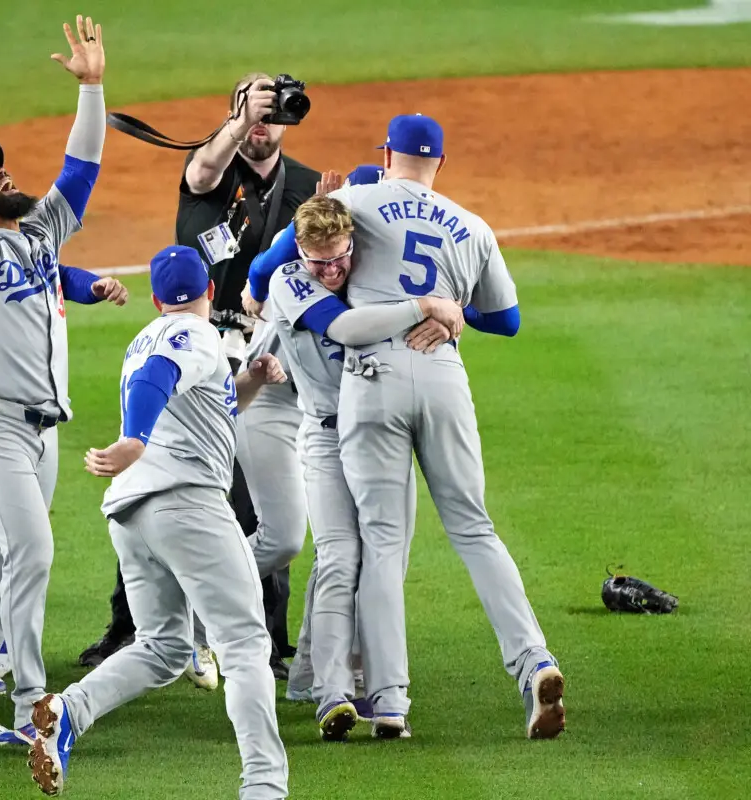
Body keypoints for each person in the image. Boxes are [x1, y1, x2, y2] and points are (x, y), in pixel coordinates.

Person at [249, 114, 566, 740]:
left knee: (382, 546)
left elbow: (264, 273)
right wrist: (453, 310)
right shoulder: (472, 225)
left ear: (386, 155)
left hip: (372, 380)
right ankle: (535, 662)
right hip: (443, 372)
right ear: (440, 165)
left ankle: (389, 703)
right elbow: (508, 321)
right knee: (475, 528)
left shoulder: (352, 201)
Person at [80, 72, 321, 677]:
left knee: (260, 497)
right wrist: (239, 122)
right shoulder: (210, 172)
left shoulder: (311, 188)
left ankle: (265, 637)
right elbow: (204, 171)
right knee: (163, 476)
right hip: (201, 341)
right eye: (250, 107)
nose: (262, 122)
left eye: (271, 111)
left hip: (264, 352)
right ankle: (130, 627)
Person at [27, 245, 289, 799]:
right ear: (210, 292)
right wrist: (132, 441)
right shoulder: (196, 336)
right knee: (244, 643)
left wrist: (254, 381)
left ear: (154, 299)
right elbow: (158, 378)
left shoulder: (145, 334)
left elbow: (203, 401)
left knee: (165, 646)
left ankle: (70, 710)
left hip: (132, 512)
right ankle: (265, 786)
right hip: (185, 501)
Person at [0, 19, 118, 744]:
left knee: (0, 561)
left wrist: (93, 89)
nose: (1, 175)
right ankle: (35, 708)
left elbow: (82, 168)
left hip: (41, 434)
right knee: (32, 553)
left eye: (2, 169)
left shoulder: (41, 233)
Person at [267, 195, 460, 739]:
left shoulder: (372, 275)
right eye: (317, 261)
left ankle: (369, 685)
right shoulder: (289, 280)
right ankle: (331, 693)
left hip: (378, 433)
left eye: (338, 259)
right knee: (339, 556)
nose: (330, 272)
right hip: (326, 439)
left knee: (386, 559)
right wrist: (427, 307)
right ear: (299, 250)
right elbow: (346, 327)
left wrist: (450, 319)